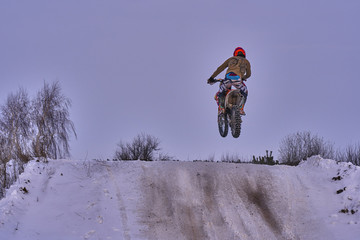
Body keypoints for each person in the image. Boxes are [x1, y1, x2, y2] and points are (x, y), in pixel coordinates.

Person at [208, 47, 251, 115]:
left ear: (235, 53)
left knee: (220, 93)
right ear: (244, 54)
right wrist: (243, 77)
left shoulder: (231, 59)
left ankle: (222, 108)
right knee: (245, 91)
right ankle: (241, 109)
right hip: (237, 80)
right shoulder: (246, 61)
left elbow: (220, 69)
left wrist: (211, 77)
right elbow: (248, 74)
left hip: (227, 79)